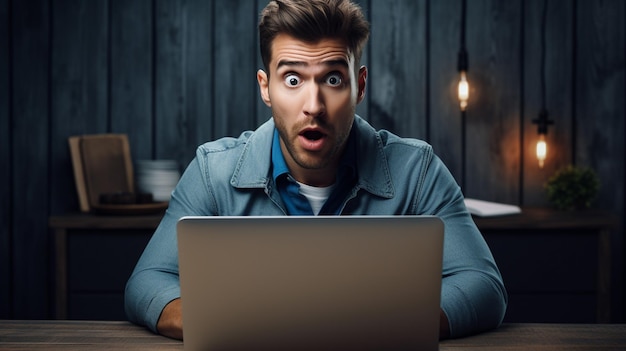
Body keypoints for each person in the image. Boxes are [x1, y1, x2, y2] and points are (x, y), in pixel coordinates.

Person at [125, 0, 507, 341]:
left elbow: (484, 286)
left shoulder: (418, 171)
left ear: (359, 86)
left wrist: (374, 323)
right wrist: (225, 321)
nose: (314, 105)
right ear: (266, 87)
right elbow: (147, 281)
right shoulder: (212, 171)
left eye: (333, 79)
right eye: (292, 79)